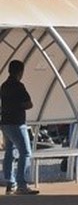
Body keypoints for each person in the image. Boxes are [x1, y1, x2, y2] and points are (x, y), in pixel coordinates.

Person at [1, 60, 40, 195]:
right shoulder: (19, 86)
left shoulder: (4, 86)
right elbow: (29, 104)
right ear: (20, 72)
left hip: (5, 123)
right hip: (17, 123)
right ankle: (22, 184)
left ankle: (10, 182)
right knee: (25, 152)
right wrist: (20, 106)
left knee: (9, 152)